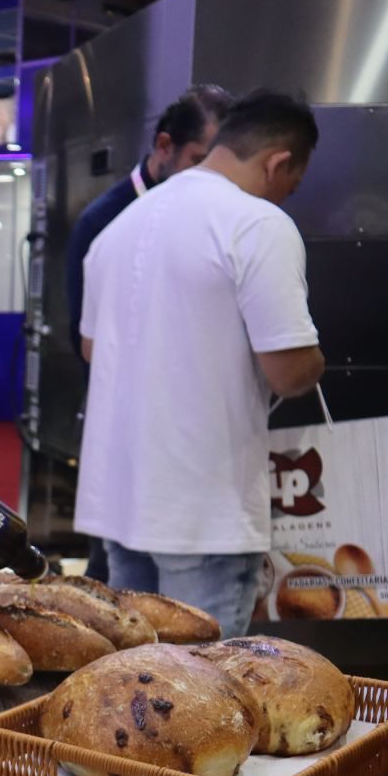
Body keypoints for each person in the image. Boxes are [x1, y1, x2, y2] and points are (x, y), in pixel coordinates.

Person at [75, 89, 326, 638]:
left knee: (136, 685)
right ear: (279, 162)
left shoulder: (117, 229)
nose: (286, 197)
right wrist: (313, 362)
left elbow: (94, 350)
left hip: (120, 501)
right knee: (204, 698)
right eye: (291, 184)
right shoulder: (257, 225)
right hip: (205, 512)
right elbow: (288, 370)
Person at [63, 83, 232, 583]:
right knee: (119, 581)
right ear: (164, 148)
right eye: (200, 159)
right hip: (126, 440)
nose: (212, 177)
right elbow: (86, 345)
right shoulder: (105, 220)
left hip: (196, 454)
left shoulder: (220, 217)